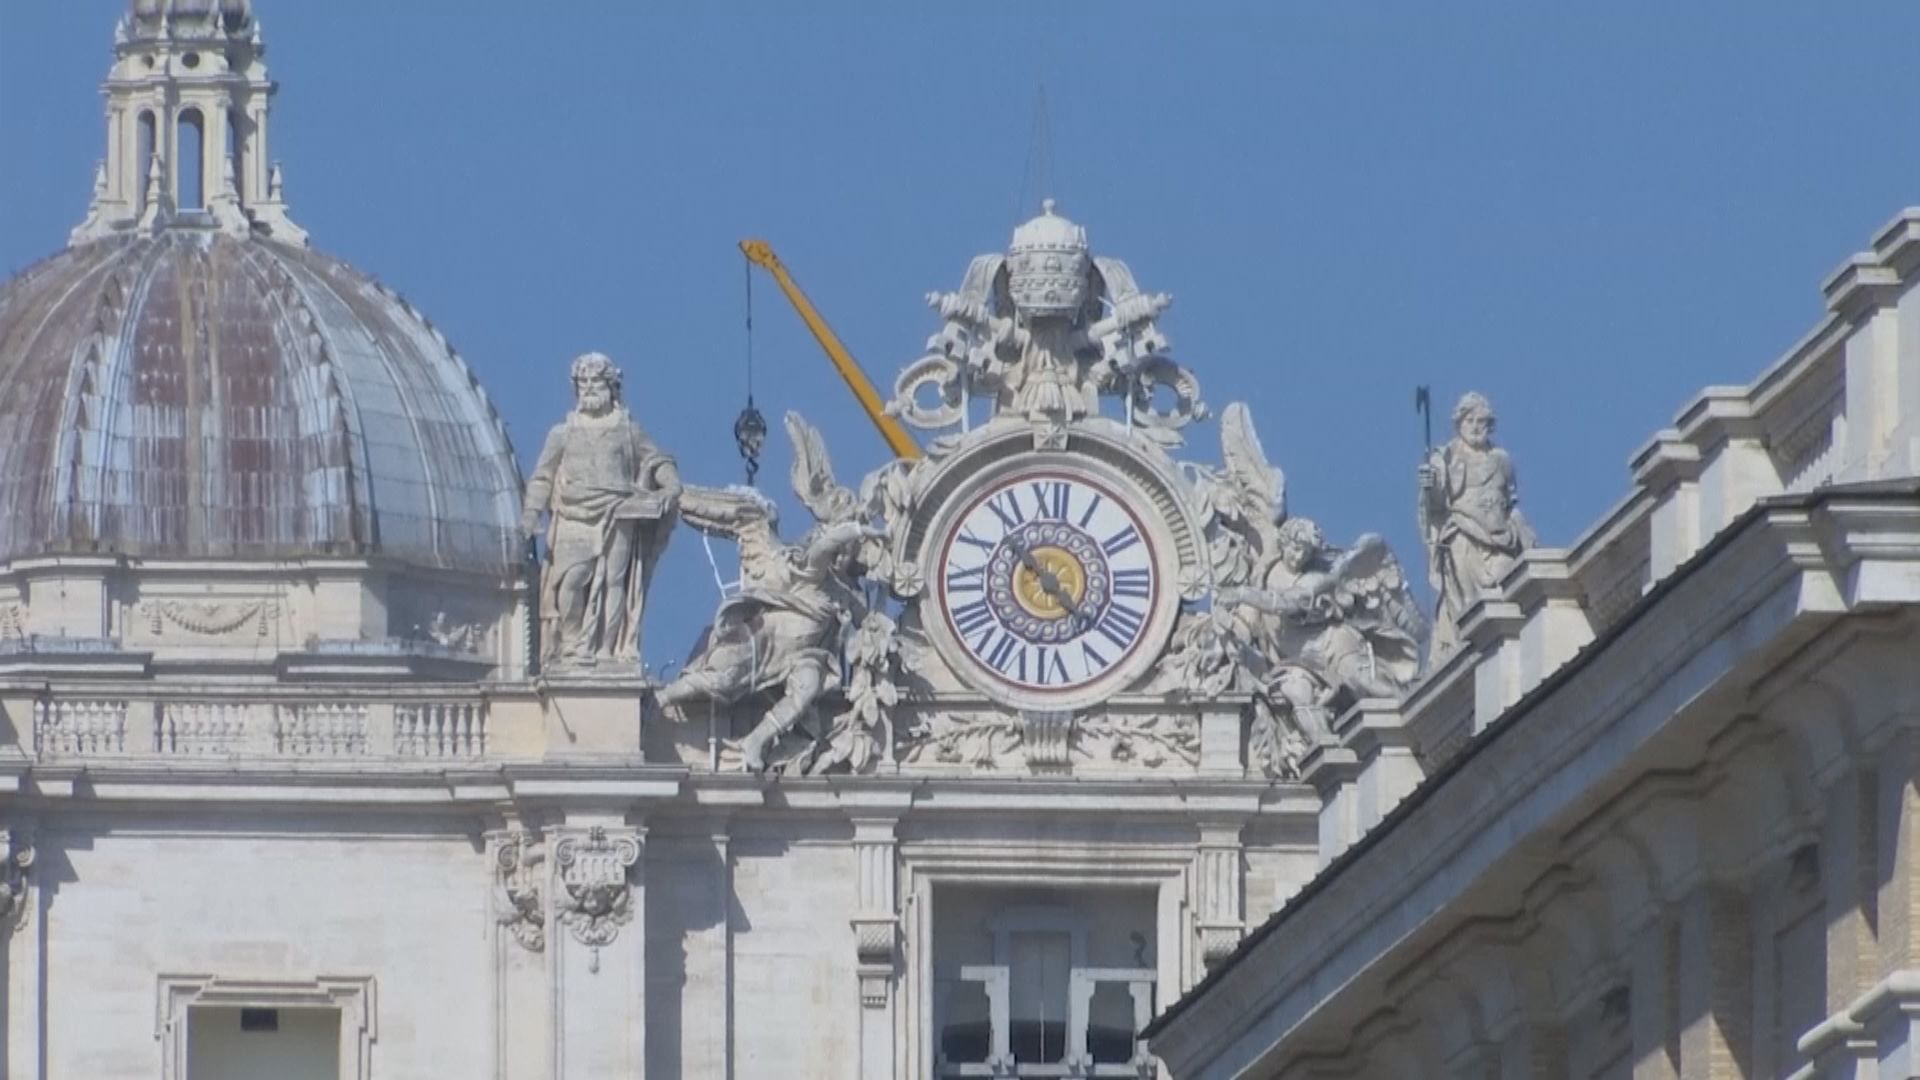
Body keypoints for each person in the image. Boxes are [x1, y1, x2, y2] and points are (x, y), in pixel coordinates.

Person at [521, 353, 681, 669]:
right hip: (572, 514)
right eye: (584, 382)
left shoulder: (628, 430)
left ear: (611, 386)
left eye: (597, 381)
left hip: (618, 511)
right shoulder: (562, 433)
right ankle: (571, 645)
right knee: (569, 581)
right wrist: (531, 512)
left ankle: (606, 651)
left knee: (613, 582)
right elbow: (543, 475)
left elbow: (658, 461)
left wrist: (670, 486)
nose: (590, 388)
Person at [1419, 392, 1534, 660]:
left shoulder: (1501, 460)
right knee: (1472, 609)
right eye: (1470, 420)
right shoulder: (1446, 457)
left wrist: (1523, 530)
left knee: (1506, 592)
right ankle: (1473, 657)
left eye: (1481, 421)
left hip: (1500, 539)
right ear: (1459, 423)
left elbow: (1510, 503)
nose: (1475, 426)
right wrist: (1429, 486)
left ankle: (1503, 656)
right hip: (1463, 537)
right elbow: (1436, 505)